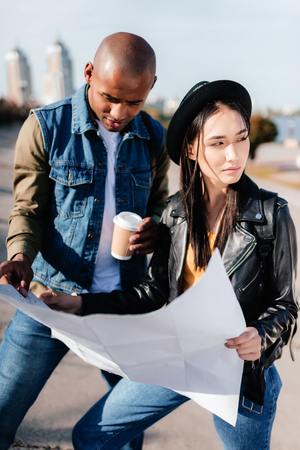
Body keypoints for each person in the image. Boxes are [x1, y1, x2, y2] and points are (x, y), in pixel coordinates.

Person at [39, 80, 298, 450]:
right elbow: (154, 291)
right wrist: (81, 304)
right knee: (91, 436)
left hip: (240, 374)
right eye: (218, 143)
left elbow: (286, 305)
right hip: (179, 355)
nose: (234, 155)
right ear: (191, 149)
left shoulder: (272, 214)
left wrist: (261, 335)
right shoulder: (175, 213)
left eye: (241, 139)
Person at [0, 32, 170, 450]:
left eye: (134, 102)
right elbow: (29, 209)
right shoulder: (45, 126)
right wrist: (19, 255)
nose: (119, 112)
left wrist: (158, 231)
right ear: (89, 74)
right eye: (110, 97)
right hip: (49, 296)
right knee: (1, 411)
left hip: (121, 305)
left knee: (122, 436)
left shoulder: (155, 137)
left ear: (150, 88)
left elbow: (164, 205)